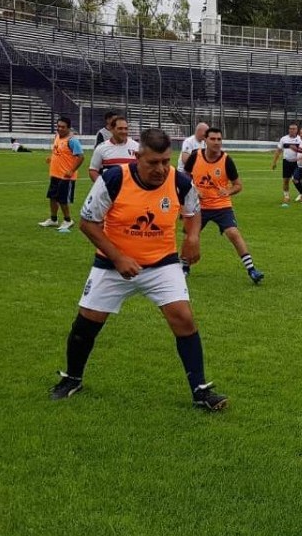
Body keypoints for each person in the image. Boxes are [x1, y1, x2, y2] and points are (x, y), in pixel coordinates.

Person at [48, 128, 229, 410]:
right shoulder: (114, 179)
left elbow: (193, 212)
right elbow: (88, 223)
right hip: (112, 265)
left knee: (184, 318)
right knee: (87, 322)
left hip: (162, 264)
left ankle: (201, 390)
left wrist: (193, 237)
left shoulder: (180, 181)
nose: (160, 169)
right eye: (153, 162)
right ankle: (72, 378)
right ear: (137, 155)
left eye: (165, 161)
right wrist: (119, 258)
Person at [183, 128, 265, 284]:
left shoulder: (227, 160)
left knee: (233, 233)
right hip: (199, 206)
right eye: (213, 139)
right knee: (189, 236)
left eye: (219, 139)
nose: (216, 142)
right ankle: (184, 267)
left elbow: (238, 185)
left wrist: (227, 191)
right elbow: (185, 176)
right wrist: (193, 189)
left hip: (221, 206)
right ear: (205, 141)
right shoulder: (195, 156)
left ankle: (252, 270)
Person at [39, 117, 84, 230]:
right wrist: (51, 158)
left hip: (66, 176)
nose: (60, 129)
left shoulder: (72, 140)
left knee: (62, 199)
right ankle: (53, 219)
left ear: (68, 128)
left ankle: (68, 220)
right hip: (55, 174)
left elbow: (81, 157)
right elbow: (58, 151)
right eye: (58, 126)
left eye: (63, 127)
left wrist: (71, 170)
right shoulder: (57, 136)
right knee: (52, 197)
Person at [87, 116, 138, 182]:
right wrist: (101, 186)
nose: (123, 131)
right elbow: (93, 170)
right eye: (120, 128)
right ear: (112, 129)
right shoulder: (101, 148)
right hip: (111, 191)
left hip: (131, 191)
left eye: (126, 128)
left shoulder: (137, 147)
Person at [272, 123, 302, 206]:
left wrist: (296, 149)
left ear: (297, 130)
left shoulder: (300, 139)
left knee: (297, 179)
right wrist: (274, 162)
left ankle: (301, 194)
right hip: (286, 162)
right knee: (286, 180)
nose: (292, 130)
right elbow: (278, 150)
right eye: (290, 128)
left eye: (294, 129)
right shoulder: (284, 139)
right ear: (288, 129)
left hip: (297, 163)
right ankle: (286, 196)